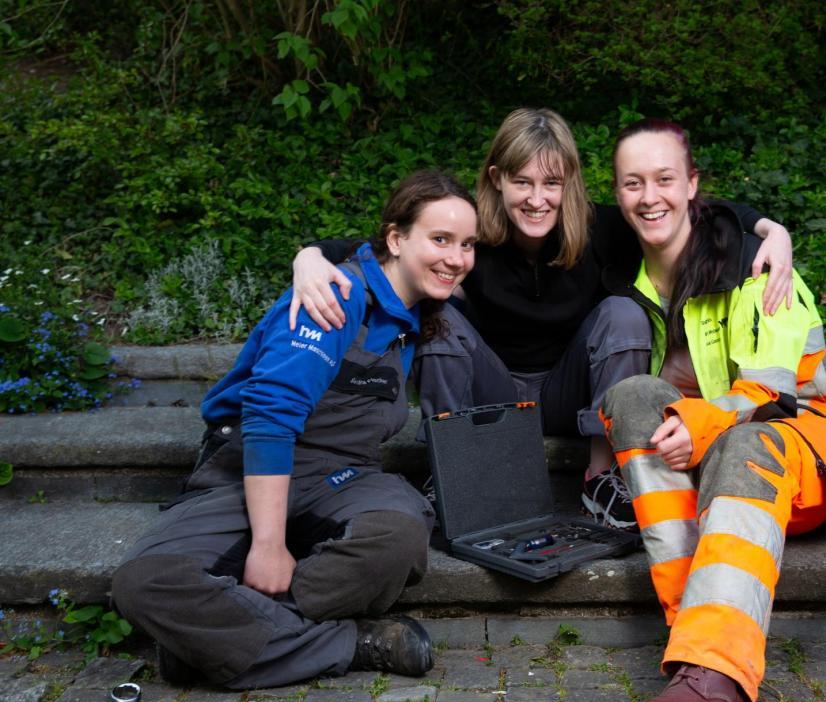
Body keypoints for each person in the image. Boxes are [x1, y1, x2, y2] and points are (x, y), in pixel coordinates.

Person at [290, 108, 796, 532]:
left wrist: (770, 228)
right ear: (497, 179)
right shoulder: (470, 234)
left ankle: (602, 478)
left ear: (568, 183)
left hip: (567, 392)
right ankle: (452, 469)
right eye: (522, 182)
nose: (537, 199)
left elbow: (697, 212)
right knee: (438, 315)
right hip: (493, 391)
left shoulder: (602, 230)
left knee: (623, 313)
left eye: (551, 183)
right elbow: (390, 249)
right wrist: (310, 256)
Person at [110, 171, 479, 689]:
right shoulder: (334, 296)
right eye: (440, 239)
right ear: (396, 239)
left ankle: (212, 644)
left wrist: (310, 250)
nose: (457, 258)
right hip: (248, 472)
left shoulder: (422, 309)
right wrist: (267, 542)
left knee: (398, 537)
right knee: (144, 584)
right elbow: (269, 417)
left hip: (344, 481)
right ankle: (350, 642)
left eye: (467, 245)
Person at [597, 119, 826, 702]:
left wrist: (771, 230)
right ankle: (691, 636)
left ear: (693, 185)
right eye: (633, 183)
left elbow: (774, 398)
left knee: (747, 438)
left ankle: (720, 675)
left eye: (665, 179)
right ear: (617, 194)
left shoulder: (758, 266)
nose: (650, 196)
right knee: (634, 396)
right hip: (711, 457)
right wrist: (319, 256)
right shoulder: (627, 278)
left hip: (799, 451)